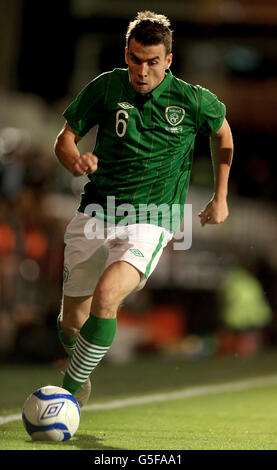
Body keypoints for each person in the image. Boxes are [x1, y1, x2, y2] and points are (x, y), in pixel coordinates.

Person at [54, 11, 233, 406]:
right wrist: (75, 161)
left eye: (152, 61)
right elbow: (64, 138)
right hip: (96, 213)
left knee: (107, 297)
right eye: (136, 59)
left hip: (152, 219)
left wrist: (219, 196)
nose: (142, 70)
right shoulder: (106, 87)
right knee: (70, 326)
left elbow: (223, 134)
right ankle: (80, 372)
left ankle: (64, 397)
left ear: (168, 61)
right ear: (127, 54)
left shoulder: (190, 99)